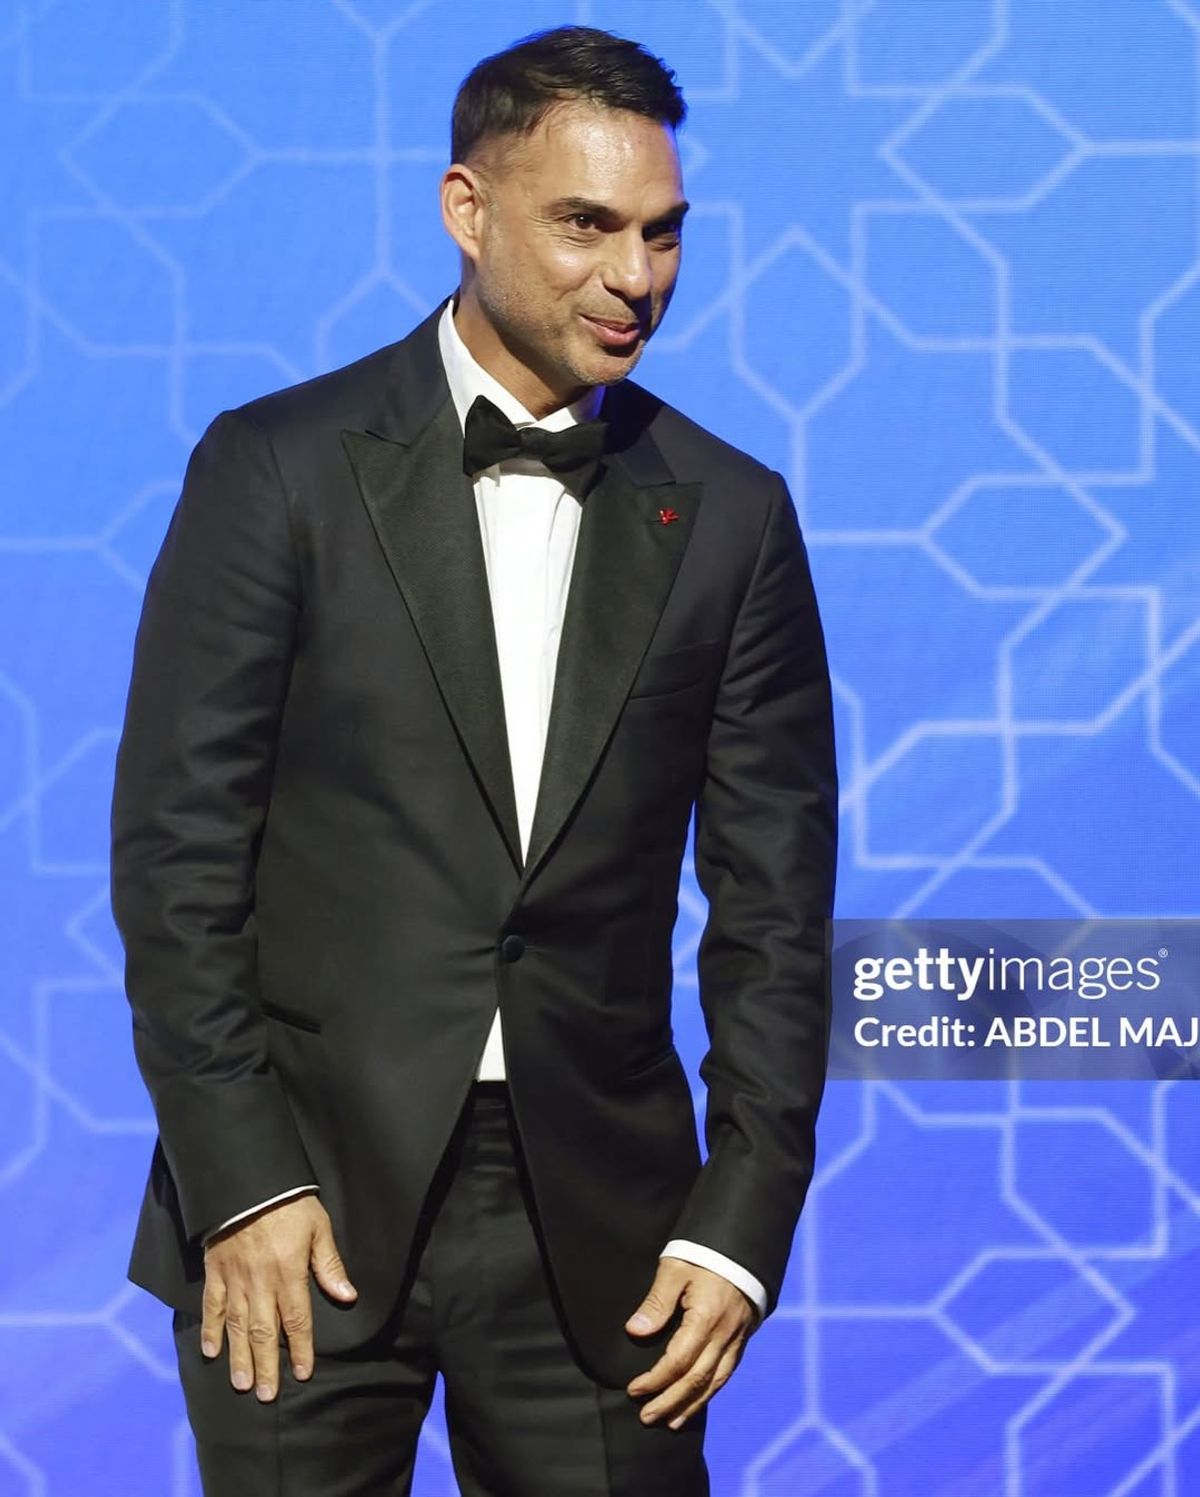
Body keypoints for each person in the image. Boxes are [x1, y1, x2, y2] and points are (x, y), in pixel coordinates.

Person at [109, 23, 837, 1497]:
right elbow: (177, 860)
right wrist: (240, 1178)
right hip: (300, 1203)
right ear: (467, 208)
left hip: (609, 1229)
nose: (636, 277)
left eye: (663, 234)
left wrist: (739, 1225)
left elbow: (774, 909)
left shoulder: (734, 514)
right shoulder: (278, 466)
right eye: (587, 226)